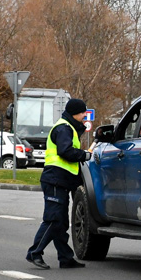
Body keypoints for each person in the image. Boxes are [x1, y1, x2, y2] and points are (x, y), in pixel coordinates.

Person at [26, 98, 93, 269]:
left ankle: (65, 258)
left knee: (61, 222)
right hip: (55, 179)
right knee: (53, 219)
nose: (84, 115)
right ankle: (35, 253)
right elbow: (65, 151)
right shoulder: (64, 128)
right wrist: (84, 154)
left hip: (60, 180)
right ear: (75, 113)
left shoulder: (68, 127)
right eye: (82, 112)